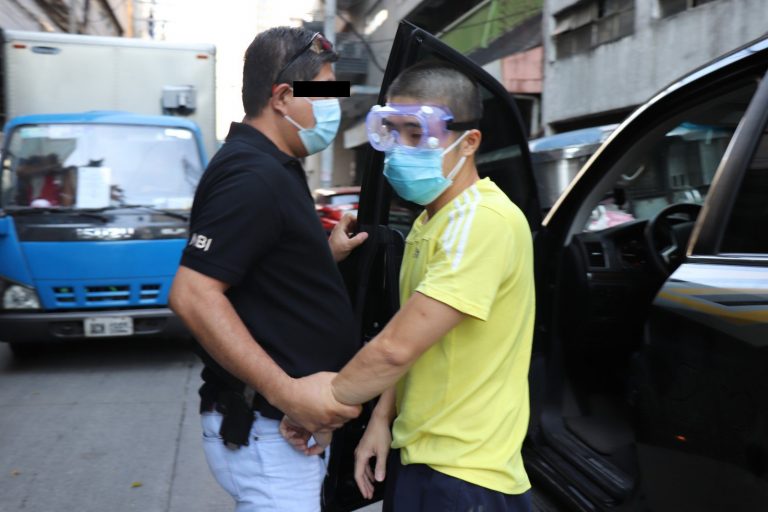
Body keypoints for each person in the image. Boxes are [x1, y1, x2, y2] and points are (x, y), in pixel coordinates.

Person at [283, 62, 535, 511]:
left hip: (467, 472)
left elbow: (395, 349)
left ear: (469, 142)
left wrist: (323, 405)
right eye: (392, 131)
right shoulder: (429, 222)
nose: (399, 148)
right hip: (418, 453)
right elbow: (413, 339)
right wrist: (382, 419)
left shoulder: (482, 221)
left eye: (417, 134)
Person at [168, 27, 367, 512]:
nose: (333, 107)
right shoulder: (252, 175)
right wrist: (288, 394)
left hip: (284, 428)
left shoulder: (273, 165)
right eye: (324, 92)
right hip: (269, 430)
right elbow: (193, 294)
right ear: (281, 98)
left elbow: (260, 276)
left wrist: (323, 255)